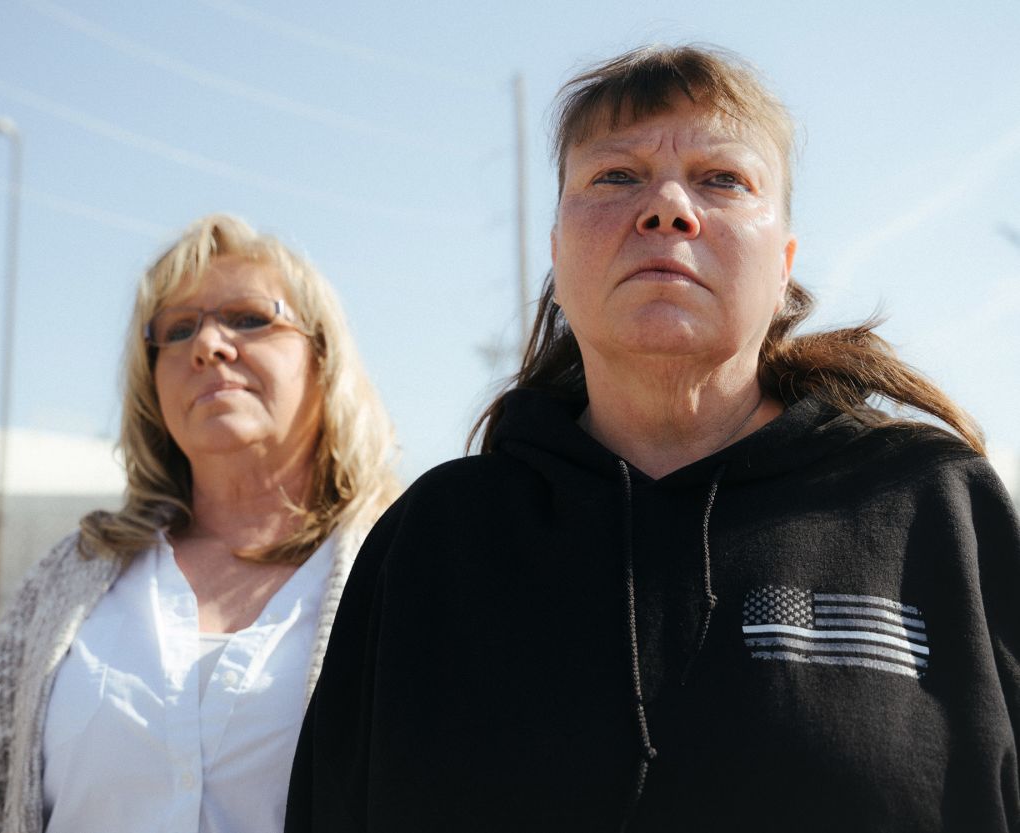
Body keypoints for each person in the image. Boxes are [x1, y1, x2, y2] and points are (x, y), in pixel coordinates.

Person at [285, 45, 1020, 832]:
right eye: (616, 176)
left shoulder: (930, 505)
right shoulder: (431, 541)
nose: (667, 208)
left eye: (722, 179)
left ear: (784, 267)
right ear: (558, 255)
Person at [0, 213, 399, 833]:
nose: (209, 345)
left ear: (323, 358)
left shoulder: (399, 568)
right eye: (178, 329)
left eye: (250, 318)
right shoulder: (71, 577)